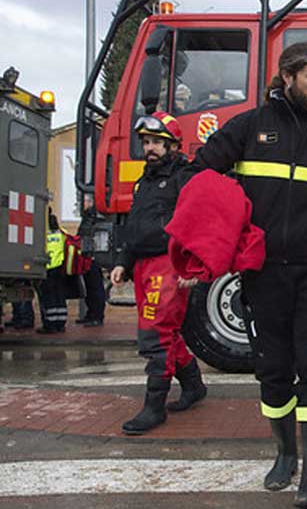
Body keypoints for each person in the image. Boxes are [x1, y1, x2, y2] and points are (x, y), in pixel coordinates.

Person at [189, 41, 307, 509]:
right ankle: (285, 453)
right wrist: (230, 224)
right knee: (273, 369)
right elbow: (199, 176)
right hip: (263, 273)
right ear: (287, 77)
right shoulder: (250, 127)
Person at [109, 111, 208, 435]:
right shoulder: (145, 181)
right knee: (166, 332)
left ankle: (154, 407)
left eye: (156, 142)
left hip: (168, 264)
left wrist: (194, 265)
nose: (149, 148)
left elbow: (198, 223)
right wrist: (123, 261)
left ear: (173, 145)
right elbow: (134, 226)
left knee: (155, 335)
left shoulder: (184, 177)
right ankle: (193, 385)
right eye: (146, 142)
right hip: (143, 265)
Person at [36, 209, 68, 334]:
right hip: (60, 268)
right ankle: (61, 323)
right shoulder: (61, 233)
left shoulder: (41, 233)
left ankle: (50, 325)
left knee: (48, 298)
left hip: (47, 268)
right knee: (59, 296)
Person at [76, 195, 106, 327]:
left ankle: (97, 316)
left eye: (84, 201)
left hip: (92, 256)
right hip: (87, 255)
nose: (81, 204)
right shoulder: (89, 216)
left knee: (95, 287)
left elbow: (89, 235)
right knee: (89, 287)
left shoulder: (93, 216)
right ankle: (91, 314)